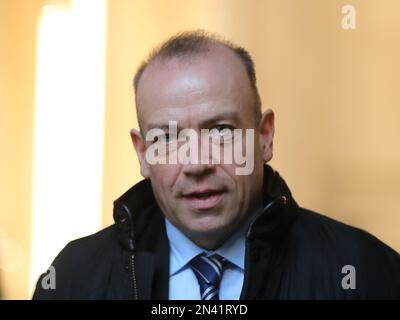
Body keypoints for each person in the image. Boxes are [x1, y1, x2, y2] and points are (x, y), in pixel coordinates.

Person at [33, 30, 400, 300]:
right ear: (143, 154)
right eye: (168, 138)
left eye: (220, 130)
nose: (196, 163)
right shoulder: (72, 279)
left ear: (264, 136)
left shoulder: (366, 272)